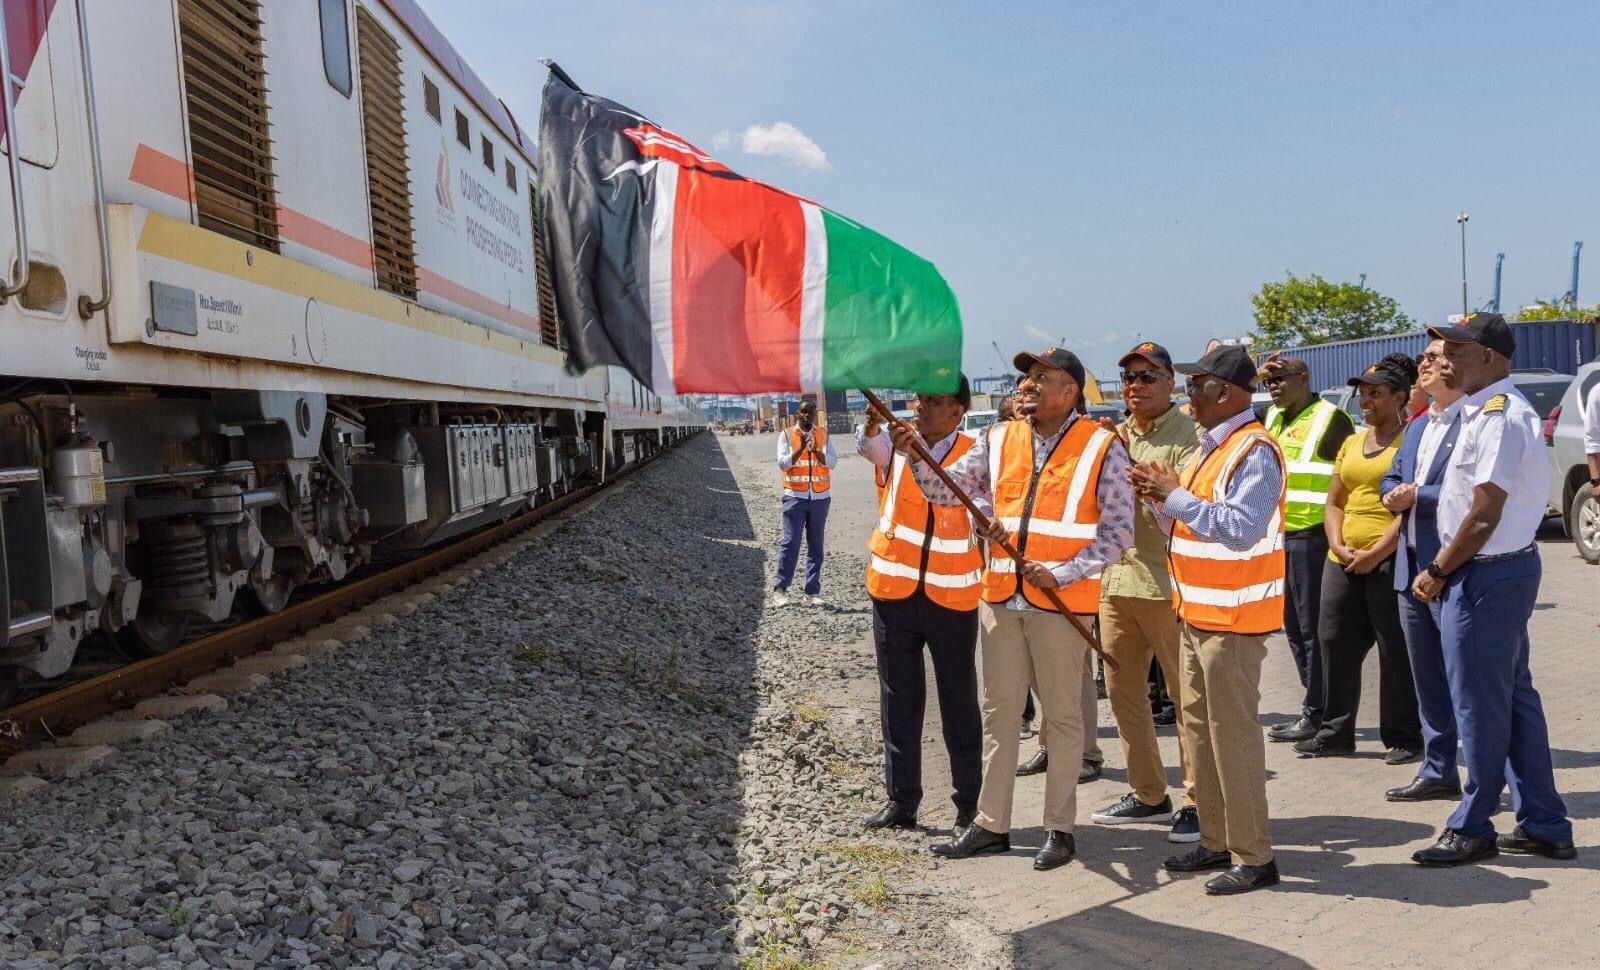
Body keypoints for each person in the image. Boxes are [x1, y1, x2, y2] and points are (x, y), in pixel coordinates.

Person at [891, 347, 1133, 871]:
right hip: (1001, 598)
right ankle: (990, 825)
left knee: (1062, 719)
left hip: (1060, 603)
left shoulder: (1100, 446)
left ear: (1071, 391)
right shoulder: (998, 438)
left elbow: (1118, 533)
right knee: (999, 715)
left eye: (1042, 378)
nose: (1029, 385)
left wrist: (1064, 572)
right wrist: (916, 453)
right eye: (1027, 377)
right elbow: (947, 492)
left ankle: (1059, 829)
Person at [1409, 313, 1575, 866]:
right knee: (1513, 699)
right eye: (1444, 349)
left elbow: (1483, 514)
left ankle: (1474, 824)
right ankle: (1545, 822)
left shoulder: (1500, 417)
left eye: (1458, 350)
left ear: (1490, 357)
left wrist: (1436, 569)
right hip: (1494, 571)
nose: (1445, 359)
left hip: (1485, 573)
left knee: (1479, 705)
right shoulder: (1479, 412)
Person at [1131, 344, 1284, 895]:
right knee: (1199, 734)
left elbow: (1240, 527)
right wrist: (1158, 499)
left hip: (1234, 622)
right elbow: (1188, 529)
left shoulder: (1253, 450)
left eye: (1196, 386)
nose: (1187, 395)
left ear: (1225, 392)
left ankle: (1254, 856)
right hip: (1196, 615)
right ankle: (1217, 841)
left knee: (1233, 738)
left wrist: (1174, 496)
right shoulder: (1207, 450)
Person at [855, 377, 984, 837]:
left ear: (958, 411)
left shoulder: (975, 451)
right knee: (899, 702)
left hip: (951, 598)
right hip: (894, 592)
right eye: (920, 399)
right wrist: (872, 428)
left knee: (960, 704)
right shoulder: (893, 443)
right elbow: (869, 449)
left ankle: (970, 805)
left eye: (934, 401)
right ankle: (901, 800)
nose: (922, 407)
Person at [1087, 342, 1204, 844]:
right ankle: (1149, 794)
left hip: (1167, 584)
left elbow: (1189, 511)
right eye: (1129, 377)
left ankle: (1199, 801)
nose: (1135, 385)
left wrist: (1154, 487)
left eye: (1148, 376)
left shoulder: (1189, 436)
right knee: (1123, 693)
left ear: (1171, 383)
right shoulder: (1109, 436)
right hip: (1117, 582)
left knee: (1187, 700)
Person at [1293, 354, 1423, 762]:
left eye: (1377, 394)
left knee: (1393, 646)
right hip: (1342, 558)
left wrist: (1378, 552)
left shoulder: (1412, 441)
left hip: (1388, 558)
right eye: (1363, 394)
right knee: (1334, 641)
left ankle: (1403, 737)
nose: (1366, 401)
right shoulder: (1351, 442)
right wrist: (1338, 542)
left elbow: (1410, 509)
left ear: (1400, 397)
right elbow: (1335, 501)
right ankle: (1335, 733)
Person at [1380, 338, 1466, 802]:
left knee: (1464, 681)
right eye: (1424, 359)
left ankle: (1486, 774)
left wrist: (1419, 496)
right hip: (1408, 568)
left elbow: (1472, 492)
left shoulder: (1474, 419)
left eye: (1433, 358)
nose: (1424, 365)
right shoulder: (1417, 424)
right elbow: (1392, 475)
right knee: (1427, 680)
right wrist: (1392, 492)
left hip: (1450, 570)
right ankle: (1438, 769)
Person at [1258, 355, 1355, 744]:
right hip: (1279, 538)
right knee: (1295, 631)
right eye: (1269, 382)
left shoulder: (1330, 418)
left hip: (1313, 538)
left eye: (1281, 379)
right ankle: (1314, 706)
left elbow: (1347, 477)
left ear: (1304, 378)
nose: (1274, 386)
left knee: (1314, 629)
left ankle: (1319, 713)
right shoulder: (1270, 419)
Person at [772, 401, 836, 607]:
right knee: (790, 543)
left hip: (820, 497)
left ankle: (813, 590)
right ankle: (780, 589)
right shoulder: (787, 434)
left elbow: (833, 461)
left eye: (811, 412)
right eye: (804, 412)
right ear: (797, 413)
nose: (807, 416)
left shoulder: (823, 435)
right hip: (795, 497)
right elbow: (782, 463)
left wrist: (816, 450)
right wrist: (800, 449)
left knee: (816, 546)